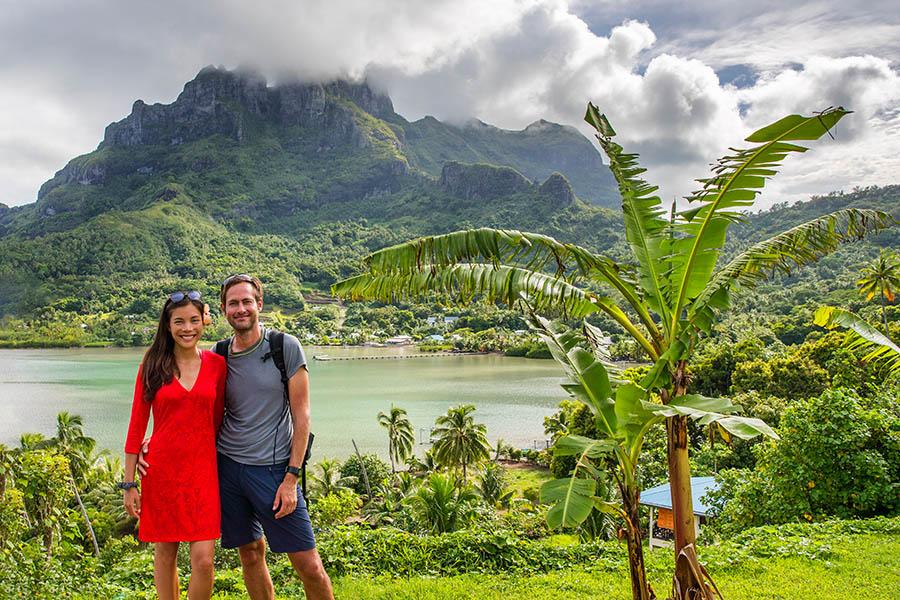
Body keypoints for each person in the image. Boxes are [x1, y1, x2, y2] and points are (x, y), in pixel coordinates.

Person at [140, 275, 334, 600]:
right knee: (250, 554)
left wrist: (291, 478)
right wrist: (155, 441)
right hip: (227, 470)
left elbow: (303, 419)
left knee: (308, 564)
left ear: (259, 304)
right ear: (223, 310)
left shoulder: (284, 347)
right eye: (233, 303)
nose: (241, 309)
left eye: (247, 301)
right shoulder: (217, 357)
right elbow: (196, 411)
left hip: (274, 472)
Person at [122, 291, 226, 600]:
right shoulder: (153, 364)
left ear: (204, 322)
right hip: (161, 471)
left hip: (203, 472)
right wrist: (129, 483)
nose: (187, 328)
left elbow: (216, 420)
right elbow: (136, 425)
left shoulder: (217, 365)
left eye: (194, 320)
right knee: (165, 554)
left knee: (204, 560)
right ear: (167, 325)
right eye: (179, 321)